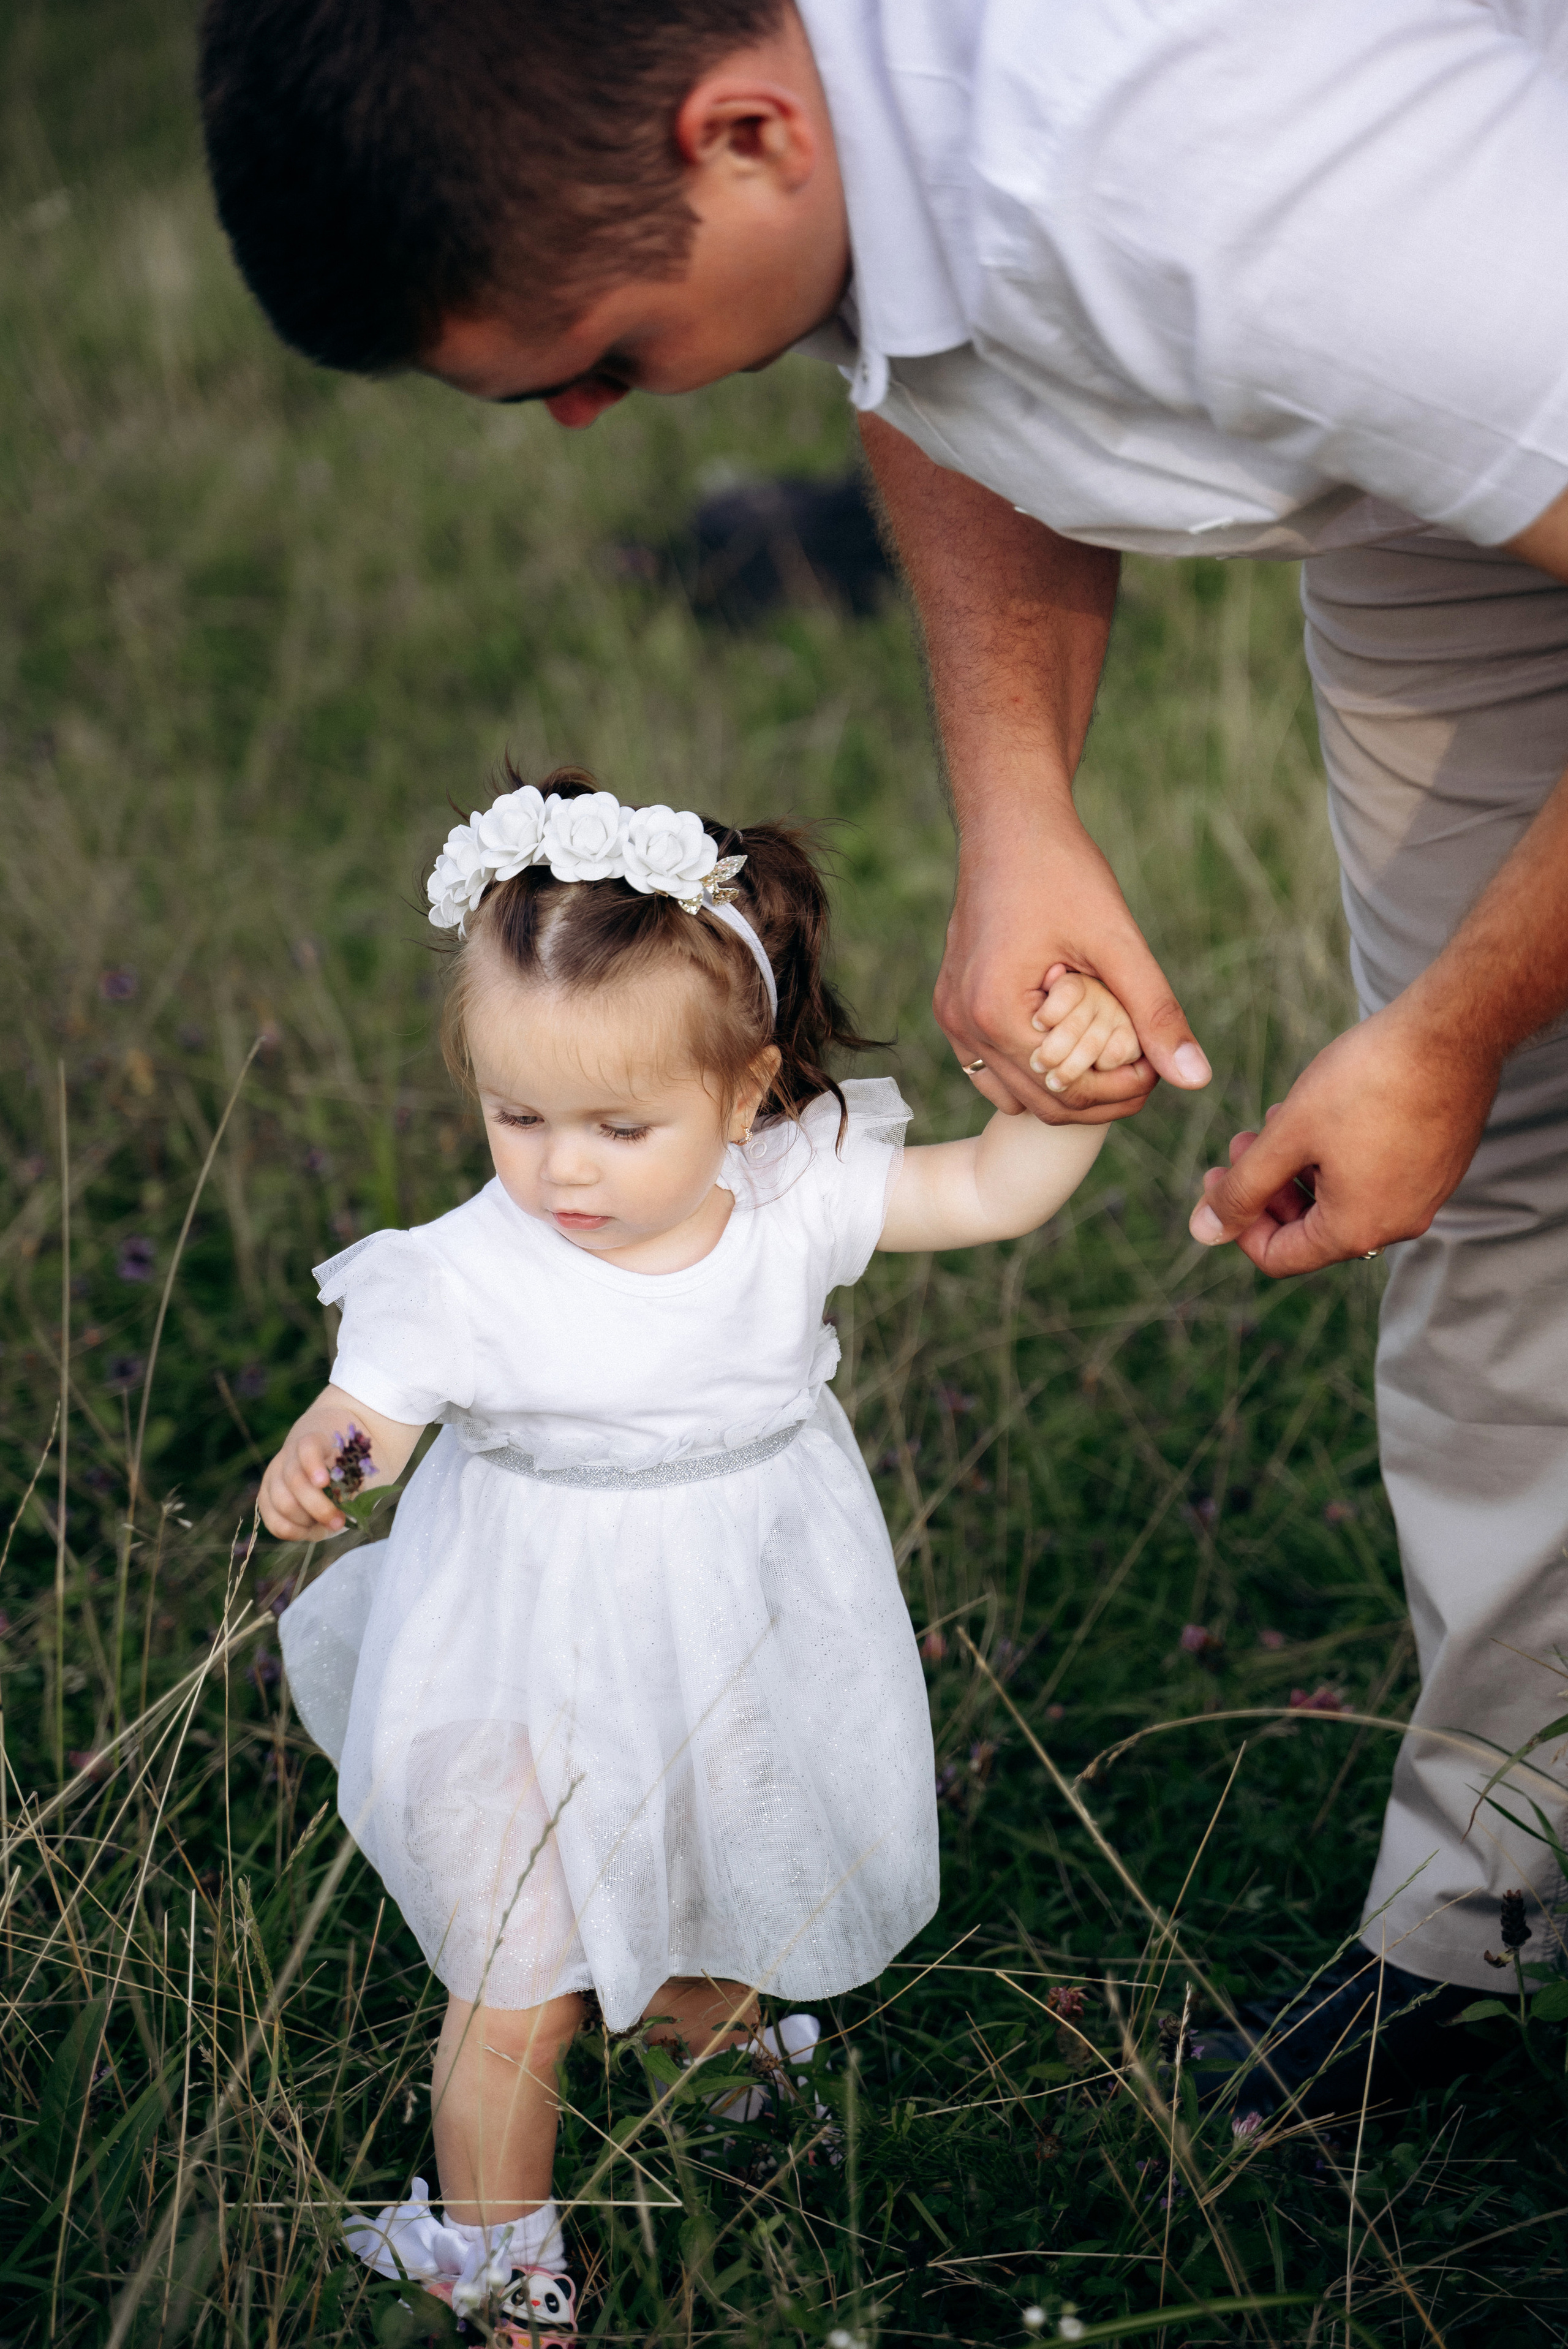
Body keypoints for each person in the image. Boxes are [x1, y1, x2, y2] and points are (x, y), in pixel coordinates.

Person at [203, 0, 1568, 2110]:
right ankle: (1496, 1908)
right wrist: (1022, 813)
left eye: (598, 357)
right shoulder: (849, 143)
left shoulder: (1228, 171)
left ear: (745, 131)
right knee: (1511, 1197)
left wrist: (1453, 1031)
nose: (585, 424)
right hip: (1445, 443)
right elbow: (930, 349)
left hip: (1471, 296)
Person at [261, 767, 1135, 2325]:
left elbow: (988, 1190)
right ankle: (502, 2260)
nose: (561, 1169)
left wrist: (1062, 1105)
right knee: (514, 1968)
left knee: (716, 1870)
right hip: (514, 1655)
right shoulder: (464, 1271)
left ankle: (722, 2076)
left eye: (618, 1125)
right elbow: (371, 1409)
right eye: (515, 1115)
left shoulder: (790, 1193)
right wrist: (329, 1459)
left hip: (738, 1626)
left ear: (743, 1094)